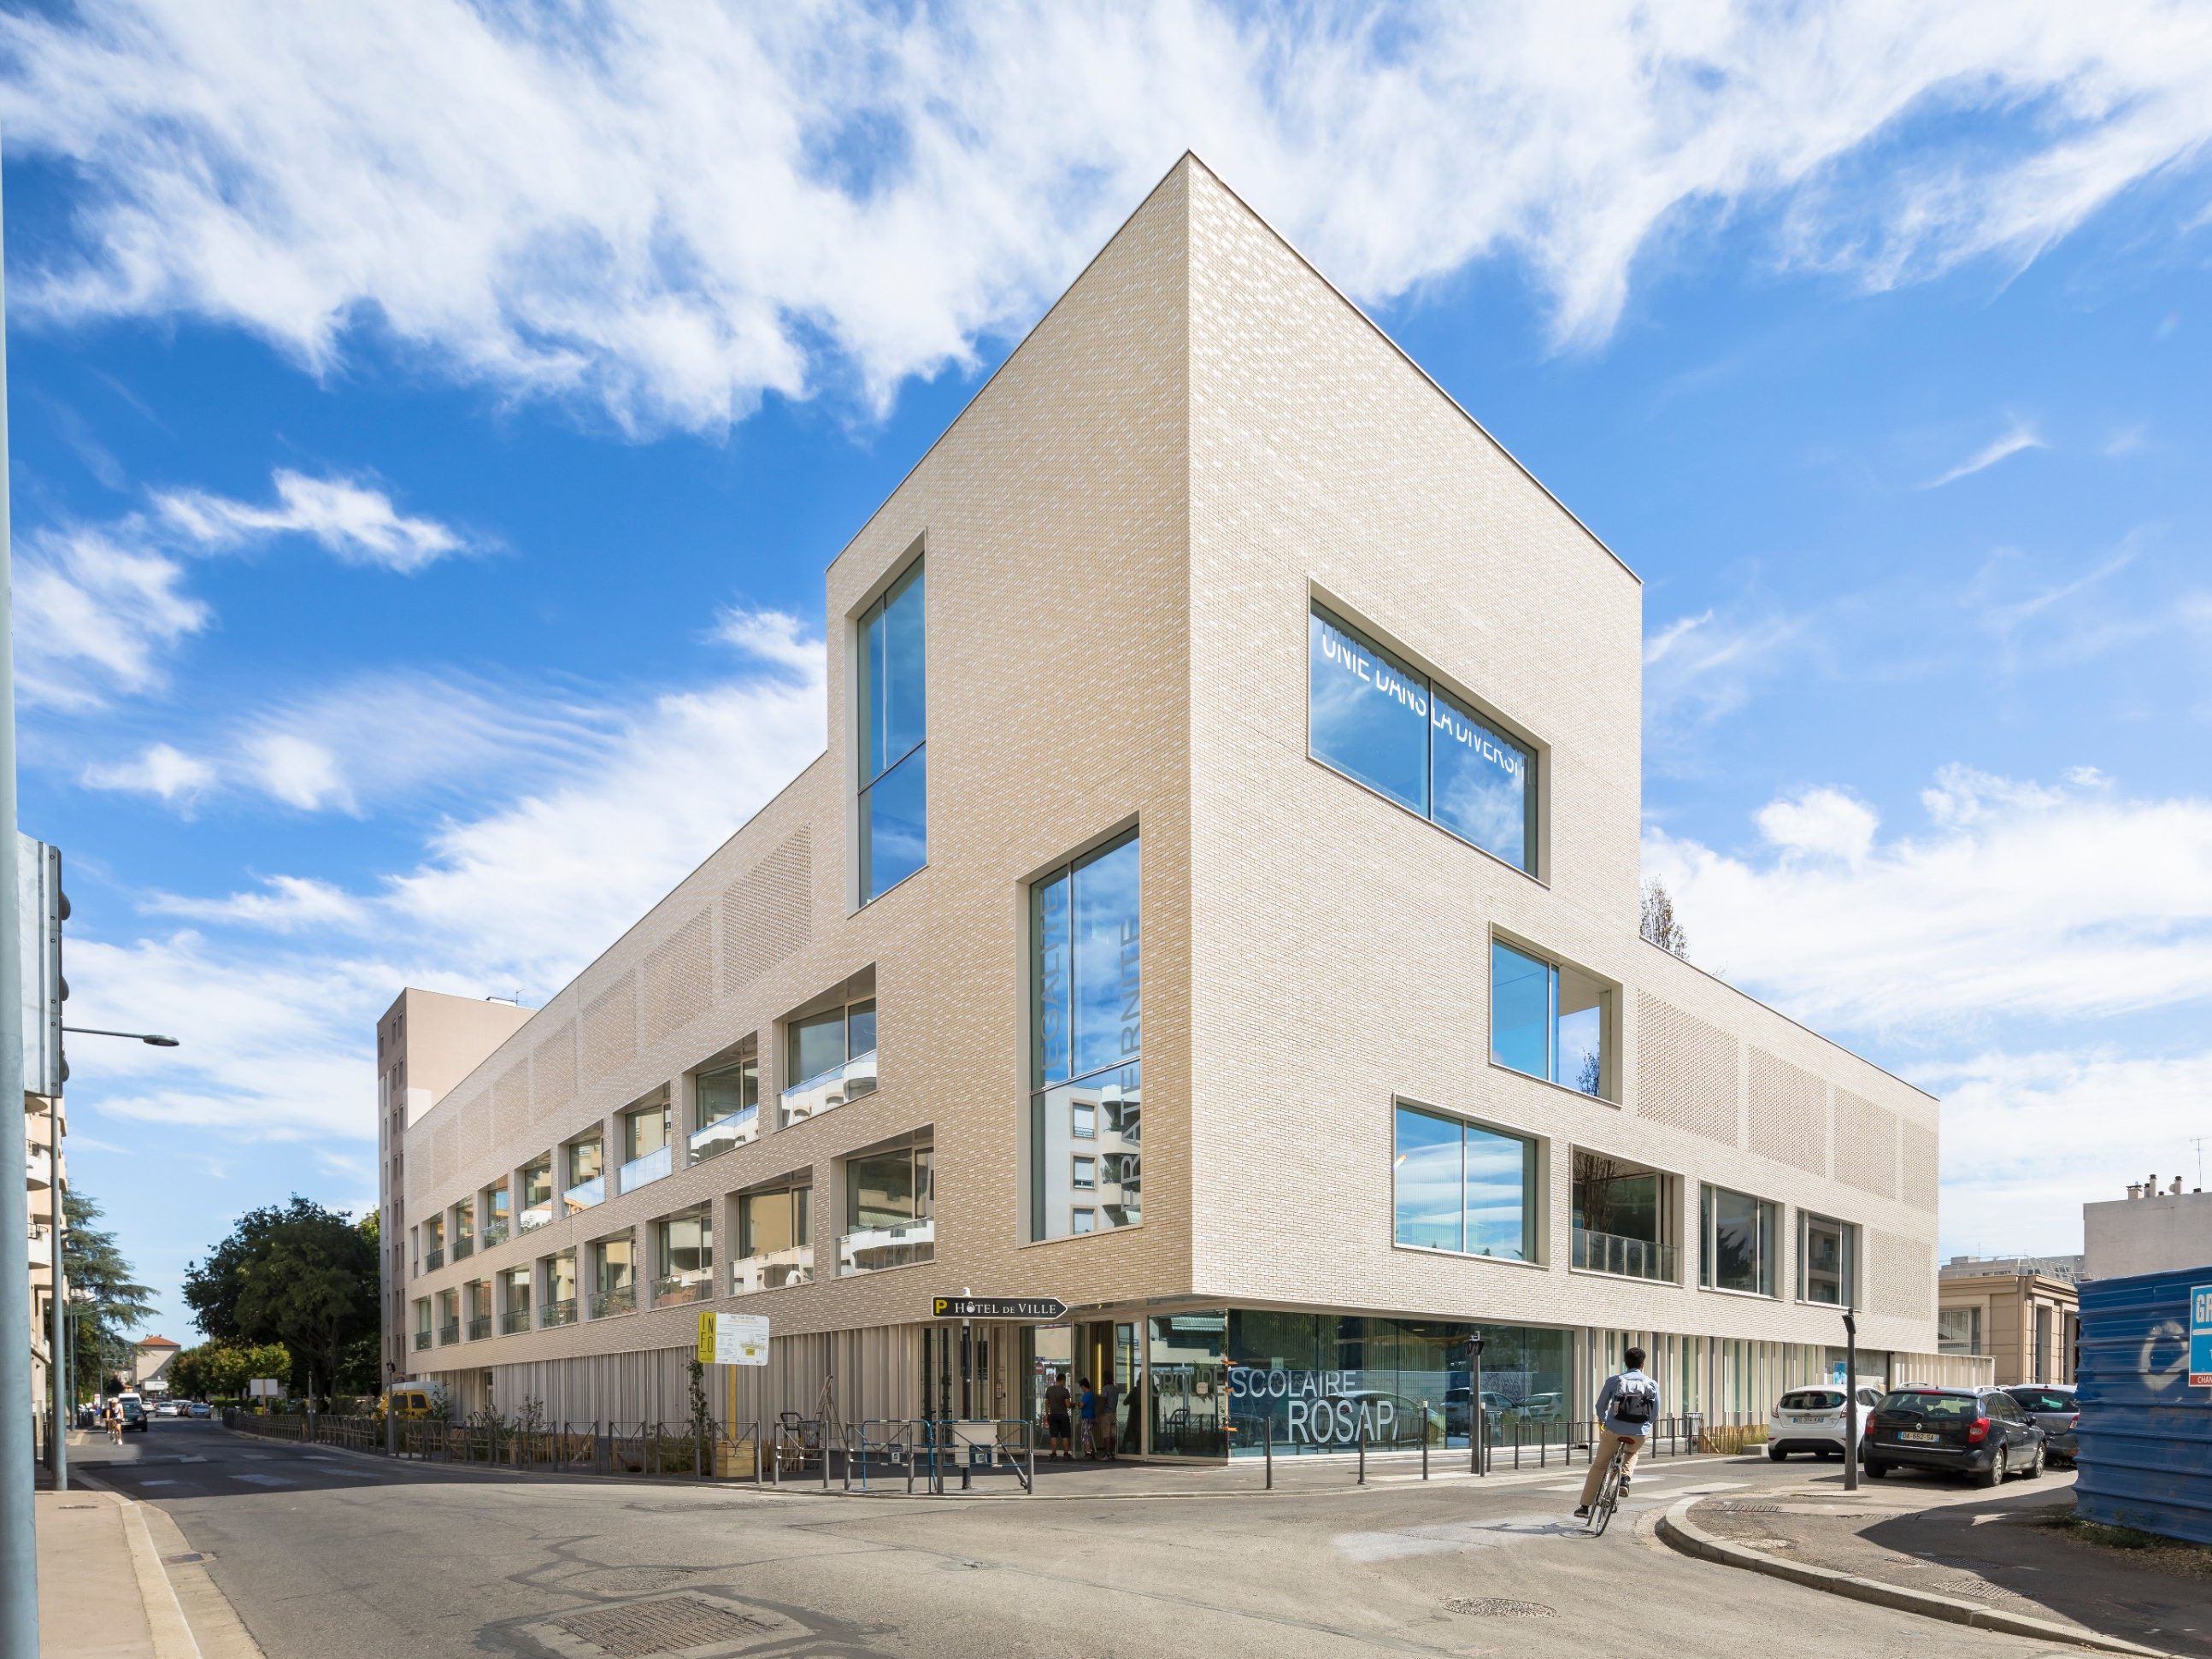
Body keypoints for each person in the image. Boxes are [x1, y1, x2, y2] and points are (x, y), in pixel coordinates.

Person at [1575, 1346, 1659, 1520]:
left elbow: (1600, 1407)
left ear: (1625, 1363)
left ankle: (1584, 1507)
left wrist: (1605, 1421)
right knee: (1632, 1452)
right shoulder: (1651, 1384)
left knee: (1599, 1465)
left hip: (1614, 1430)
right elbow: (1654, 1413)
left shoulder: (1614, 1380)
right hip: (1638, 1432)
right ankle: (1625, 1479)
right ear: (1643, 1364)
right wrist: (1644, 1426)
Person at [1044, 1371, 1074, 1461]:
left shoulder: (1049, 1390)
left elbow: (1047, 1403)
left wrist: (1047, 1414)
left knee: (1053, 1436)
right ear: (1063, 1381)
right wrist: (1074, 1405)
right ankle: (1066, 1454)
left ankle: (1053, 1454)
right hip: (1063, 1416)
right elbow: (1068, 1404)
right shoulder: (1065, 1391)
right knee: (1065, 1436)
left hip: (1052, 1415)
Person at [1097, 1374, 1123, 1462]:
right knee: (1113, 1434)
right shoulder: (1116, 1389)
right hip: (1113, 1413)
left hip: (1106, 1414)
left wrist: (1098, 1413)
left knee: (1106, 1435)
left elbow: (1103, 1401)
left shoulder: (1105, 1389)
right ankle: (1112, 1453)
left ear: (1105, 1379)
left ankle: (1107, 1454)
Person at [1077, 1378, 1099, 1459]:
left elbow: (1081, 1406)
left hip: (1087, 1417)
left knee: (1085, 1435)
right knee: (1088, 1434)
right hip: (1092, 1416)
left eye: (1081, 1387)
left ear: (1083, 1386)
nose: (1081, 1389)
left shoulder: (1087, 1394)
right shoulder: (1092, 1394)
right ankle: (1090, 1450)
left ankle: (1088, 1452)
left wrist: (1078, 1404)